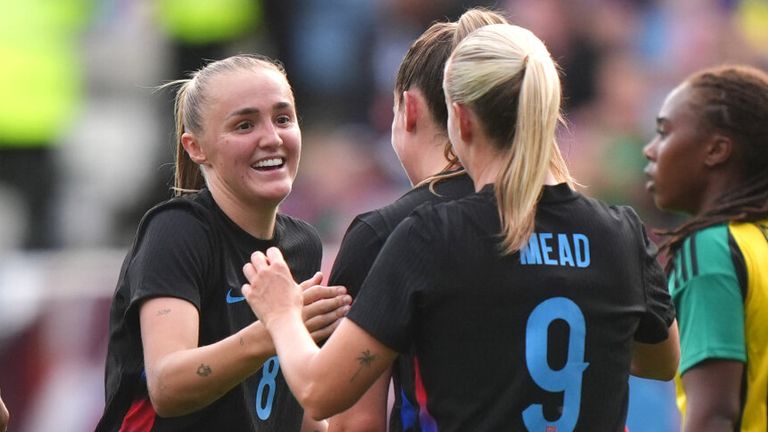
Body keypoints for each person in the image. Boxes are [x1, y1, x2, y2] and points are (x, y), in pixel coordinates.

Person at [241, 24, 680, 431]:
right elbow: (661, 361)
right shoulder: (621, 232)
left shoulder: (431, 235)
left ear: (461, 119)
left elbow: (320, 391)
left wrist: (280, 312)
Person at [95, 54, 352, 432]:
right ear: (195, 147)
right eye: (245, 125)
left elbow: (300, 413)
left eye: (283, 119)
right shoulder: (178, 231)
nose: (272, 138)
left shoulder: (303, 244)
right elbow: (167, 386)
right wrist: (275, 328)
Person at [325, 8, 507, 432]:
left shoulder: (384, 234)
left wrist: (278, 320)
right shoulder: (579, 221)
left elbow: (355, 422)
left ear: (408, 109)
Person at [643, 65, 768, 432]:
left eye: (664, 132)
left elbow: (713, 415)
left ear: (715, 150)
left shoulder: (711, 249)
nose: (649, 149)